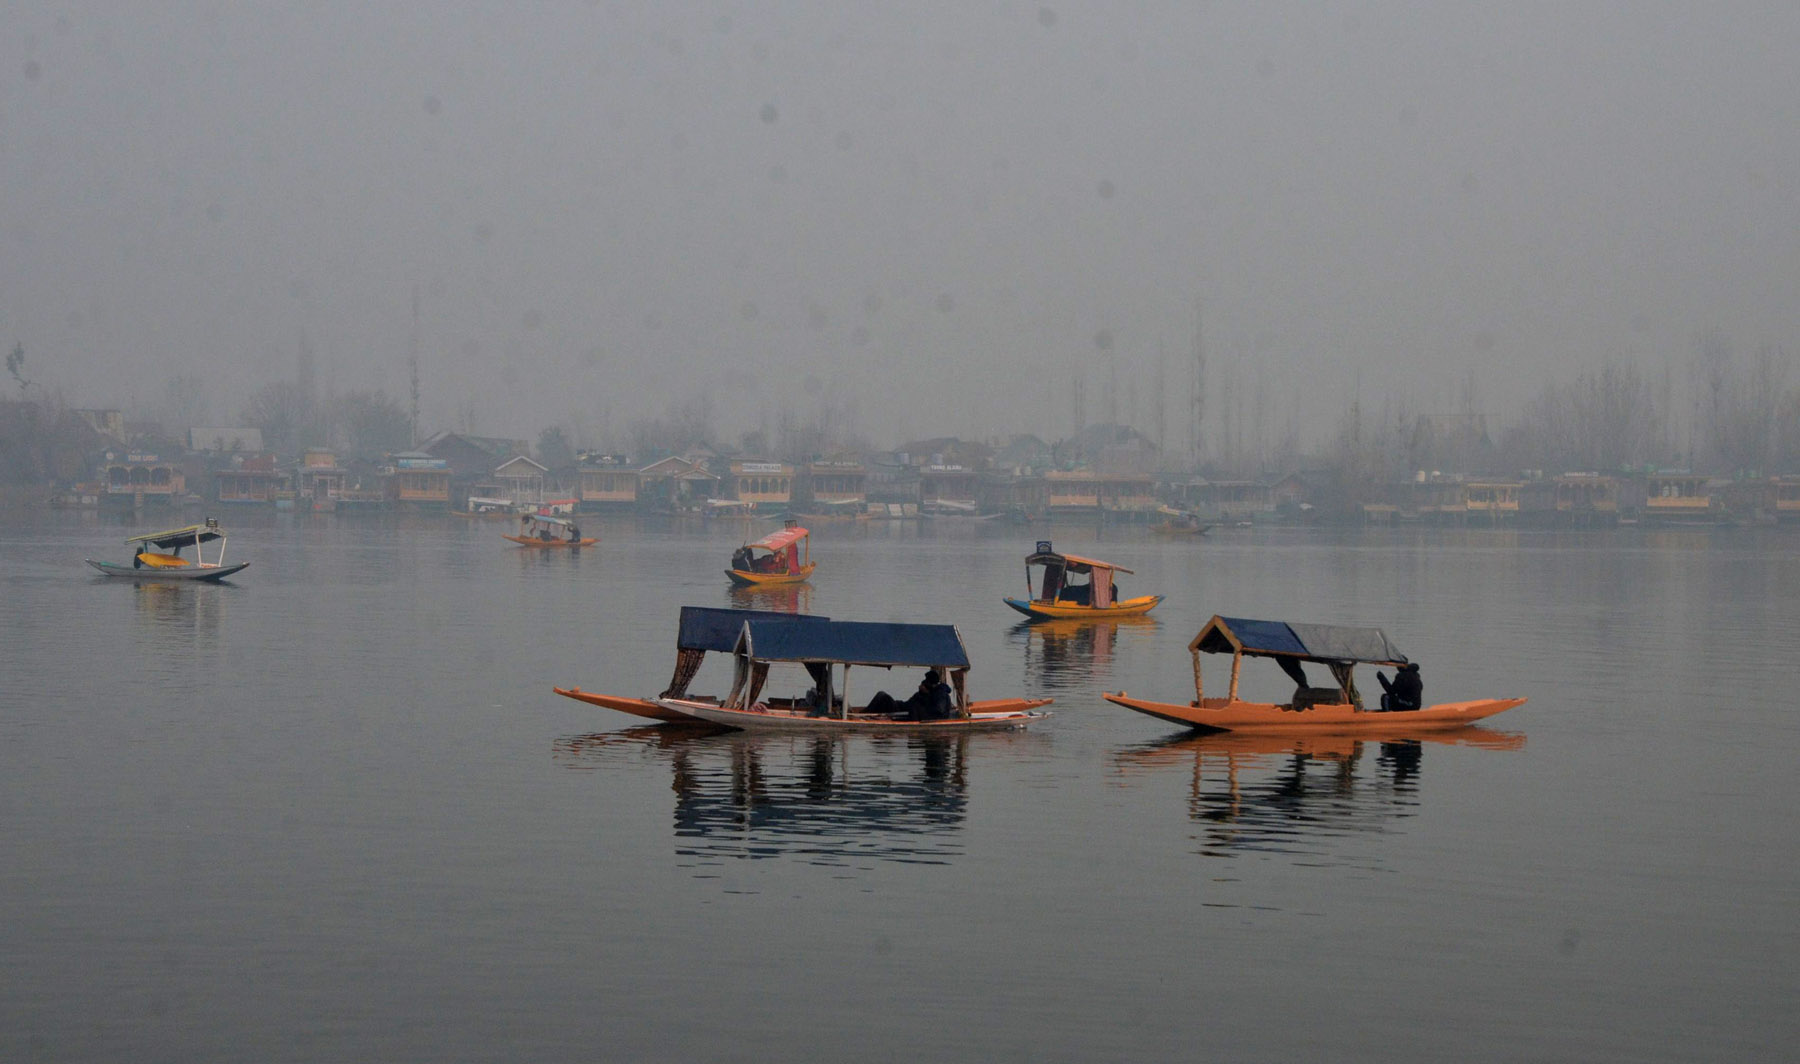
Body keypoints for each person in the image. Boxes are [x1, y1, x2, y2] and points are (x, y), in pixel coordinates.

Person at [867, 670, 954, 721]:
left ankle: (863, 714)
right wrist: (898, 703)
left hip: (912, 715)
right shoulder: (922, 694)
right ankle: (865, 714)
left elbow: (938, 710)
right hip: (904, 710)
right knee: (882, 697)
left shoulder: (939, 693)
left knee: (882, 695)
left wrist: (923, 698)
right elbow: (908, 704)